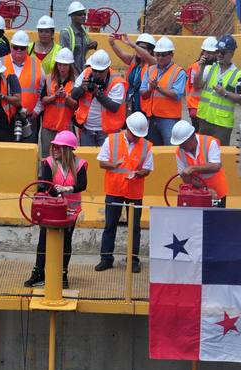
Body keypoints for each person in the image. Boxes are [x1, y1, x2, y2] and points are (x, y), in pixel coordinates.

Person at [24, 130, 87, 289]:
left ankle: (63, 274)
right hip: (51, 209)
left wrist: (67, 189)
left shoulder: (79, 164)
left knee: (66, 241)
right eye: (54, 147)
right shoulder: (49, 163)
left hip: (70, 211)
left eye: (58, 147)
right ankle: (38, 272)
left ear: (67, 149)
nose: (54, 149)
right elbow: (45, 183)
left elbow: (82, 185)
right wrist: (56, 192)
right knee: (43, 240)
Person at [94, 111, 153, 273]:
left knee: (134, 227)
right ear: (128, 129)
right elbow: (102, 163)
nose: (137, 138)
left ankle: (133, 259)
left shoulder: (146, 146)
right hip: (114, 189)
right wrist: (115, 165)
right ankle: (106, 258)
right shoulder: (112, 140)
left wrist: (139, 173)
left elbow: (147, 170)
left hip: (134, 191)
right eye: (135, 134)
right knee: (110, 225)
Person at [195, 34, 241, 145]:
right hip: (205, 120)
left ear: (231, 53)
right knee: (203, 154)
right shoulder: (209, 68)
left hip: (222, 124)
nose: (219, 55)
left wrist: (225, 93)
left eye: (223, 52)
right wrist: (201, 67)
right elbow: (197, 85)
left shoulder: (239, 75)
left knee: (221, 155)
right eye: (218, 51)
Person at [71, 49, 126, 146]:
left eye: (101, 71)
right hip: (86, 129)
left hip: (107, 131)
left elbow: (114, 107)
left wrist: (97, 93)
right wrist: (82, 88)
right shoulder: (86, 73)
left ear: (108, 68)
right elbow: (73, 95)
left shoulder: (116, 81)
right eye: (95, 70)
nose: (97, 74)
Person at [170, 119, 228, 208]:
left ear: (192, 137)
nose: (181, 147)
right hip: (197, 194)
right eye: (179, 144)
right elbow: (185, 177)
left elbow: (216, 166)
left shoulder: (209, 142)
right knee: (197, 220)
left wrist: (193, 168)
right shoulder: (179, 152)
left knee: (215, 218)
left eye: (183, 144)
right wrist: (205, 190)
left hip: (217, 193)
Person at [140, 37, 186, 146]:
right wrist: (150, 89)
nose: (160, 58)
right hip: (152, 118)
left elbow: (177, 95)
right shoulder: (150, 69)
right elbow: (143, 93)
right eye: (158, 54)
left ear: (171, 55)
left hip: (169, 119)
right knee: (153, 150)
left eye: (164, 55)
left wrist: (157, 88)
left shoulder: (179, 72)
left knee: (170, 150)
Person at [3, 31, 44, 142]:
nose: (19, 50)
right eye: (16, 47)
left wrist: (37, 110)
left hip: (29, 118)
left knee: (28, 152)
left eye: (22, 48)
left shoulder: (37, 64)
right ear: (11, 47)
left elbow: (43, 90)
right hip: (6, 119)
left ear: (27, 48)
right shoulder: (0, 63)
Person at [40, 48, 77, 156]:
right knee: (47, 157)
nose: (62, 67)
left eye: (65, 65)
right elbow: (43, 100)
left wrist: (66, 97)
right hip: (48, 126)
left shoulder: (75, 82)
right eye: (60, 64)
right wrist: (54, 96)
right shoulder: (49, 79)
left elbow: (76, 105)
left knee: (65, 158)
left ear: (70, 66)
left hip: (66, 127)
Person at [108, 32, 156, 114]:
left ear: (150, 51)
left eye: (143, 48)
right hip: (131, 103)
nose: (138, 50)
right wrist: (112, 44)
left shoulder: (152, 64)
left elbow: (151, 59)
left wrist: (133, 45)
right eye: (138, 47)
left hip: (143, 106)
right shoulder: (134, 61)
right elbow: (121, 54)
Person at [185, 37, 218, 130]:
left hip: (209, 107)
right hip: (196, 107)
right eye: (208, 52)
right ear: (203, 52)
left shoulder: (217, 67)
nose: (210, 56)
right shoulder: (195, 67)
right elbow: (196, 85)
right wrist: (201, 67)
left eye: (213, 53)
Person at [60, 2, 97, 72]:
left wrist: (94, 44)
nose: (83, 16)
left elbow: (89, 43)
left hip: (82, 71)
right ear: (72, 16)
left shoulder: (84, 33)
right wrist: (75, 75)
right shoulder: (66, 33)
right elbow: (65, 58)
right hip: (71, 74)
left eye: (84, 14)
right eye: (80, 14)